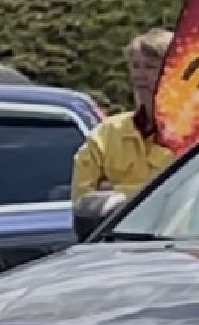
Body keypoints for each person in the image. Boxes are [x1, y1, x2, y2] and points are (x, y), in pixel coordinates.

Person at [71, 29, 177, 201]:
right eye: (135, 66)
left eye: (150, 67)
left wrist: (114, 192)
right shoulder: (106, 133)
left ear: (174, 72)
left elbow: (188, 197)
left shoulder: (193, 134)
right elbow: (83, 200)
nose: (139, 75)